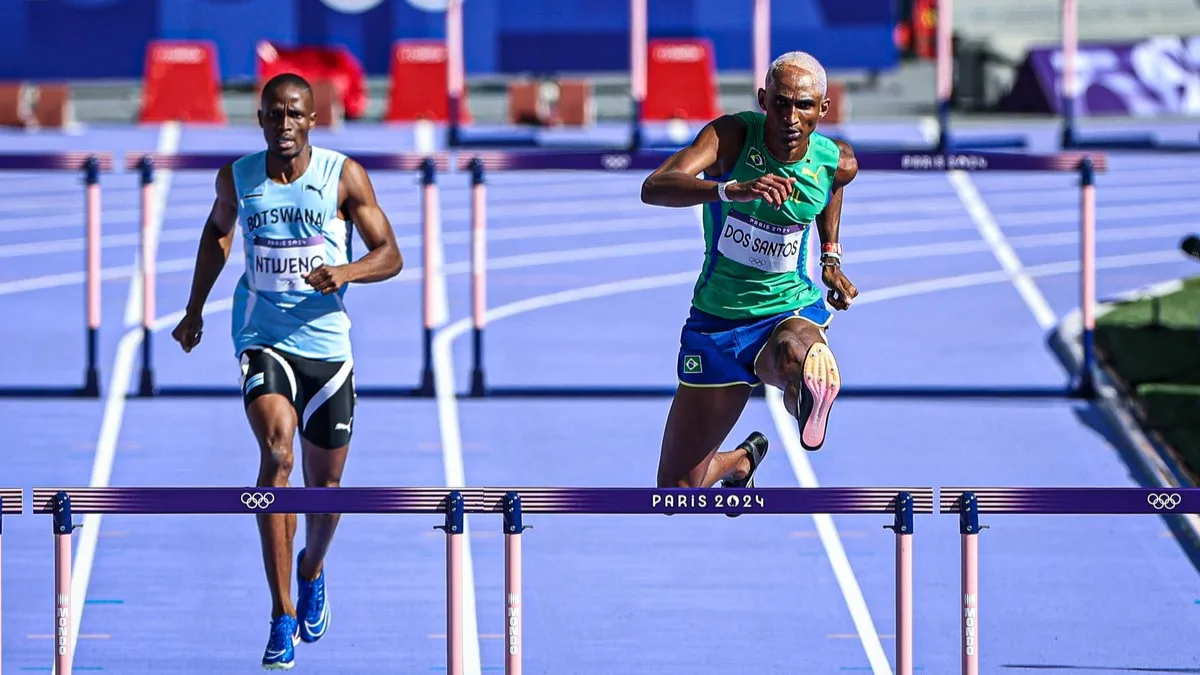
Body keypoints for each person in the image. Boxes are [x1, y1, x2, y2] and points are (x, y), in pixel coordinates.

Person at [170, 72, 404, 670]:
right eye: (275, 114)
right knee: (277, 456)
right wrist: (195, 309)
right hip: (261, 337)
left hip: (327, 347)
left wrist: (344, 273)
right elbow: (218, 234)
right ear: (261, 119)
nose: (285, 125)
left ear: (312, 120)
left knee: (325, 493)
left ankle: (311, 569)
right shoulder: (238, 177)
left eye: (296, 114)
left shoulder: (342, 176)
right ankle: (279, 614)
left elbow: (391, 254)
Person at [640, 51, 860, 489]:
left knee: (796, 353)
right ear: (763, 99)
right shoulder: (732, 137)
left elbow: (833, 187)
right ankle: (740, 460)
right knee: (677, 490)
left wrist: (830, 257)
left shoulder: (836, 161)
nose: (790, 118)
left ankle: (803, 394)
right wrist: (729, 189)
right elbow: (654, 188)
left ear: (823, 108)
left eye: (803, 106)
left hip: (785, 310)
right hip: (716, 323)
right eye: (780, 103)